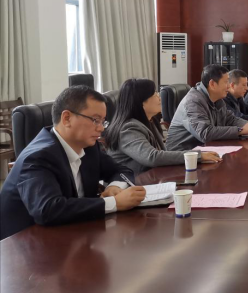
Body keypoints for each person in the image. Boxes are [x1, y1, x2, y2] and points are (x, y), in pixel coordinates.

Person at [0, 86, 146, 240]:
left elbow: (121, 170)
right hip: (25, 243)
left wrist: (114, 187)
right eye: (95, 120)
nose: (101, 128)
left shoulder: (89, 147)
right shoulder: (38, 157)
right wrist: (114, 202)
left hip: (72, 232)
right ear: (67, 118)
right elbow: (48, 210)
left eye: (103, 121)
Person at [104, 79, 221, 175]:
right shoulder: (128, 129)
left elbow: (161, 152)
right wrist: (198, 156)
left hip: (152, 178)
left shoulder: (150, 121)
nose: (159, 96)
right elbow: (152, 157)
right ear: (141, 102)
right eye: (154, 93)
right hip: (132, 186)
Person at [167, 65, 248, 152]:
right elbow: (205, 133)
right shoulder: (193, 101)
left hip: (205, 150)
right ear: (212, 84)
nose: (229, 86)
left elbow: (229, 119)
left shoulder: (217, 98)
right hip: (184, 155)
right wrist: (240, 130)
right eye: (226, 82)